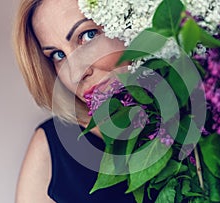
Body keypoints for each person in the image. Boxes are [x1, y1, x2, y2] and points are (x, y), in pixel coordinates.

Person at [13, 0, 153, 202]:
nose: (76, 74)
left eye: (88, 36)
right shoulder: (50, 152)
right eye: (58, 55)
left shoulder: (205, 109)